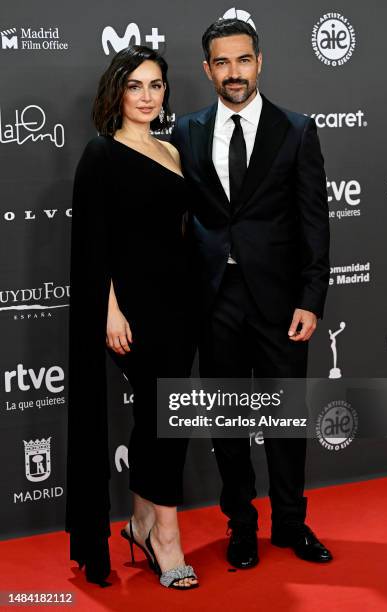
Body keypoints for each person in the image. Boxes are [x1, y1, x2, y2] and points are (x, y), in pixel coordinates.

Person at [171, 18, 332, 569]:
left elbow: (315, 221)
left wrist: (311, 298)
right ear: (207, 69)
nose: (233, 73)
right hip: (216, 300)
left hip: (283, 301)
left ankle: (291, 523)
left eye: (243, 60)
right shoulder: (187, 131)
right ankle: (242, 525)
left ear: (259, 62)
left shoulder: (296, 129)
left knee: (286, 418)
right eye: (222, 62)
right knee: (229, 422)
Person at [66, 45, 199, 590]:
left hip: (182, 303)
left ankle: (142, 523)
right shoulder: (101, 154)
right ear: (117, 92)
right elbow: (97, 243)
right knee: (165, 417)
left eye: (156, 86)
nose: (147, 96)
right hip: (133, 309)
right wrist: (110, 309)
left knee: (160, 418)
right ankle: (166, 536)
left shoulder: (172, 150)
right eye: (136, 86)